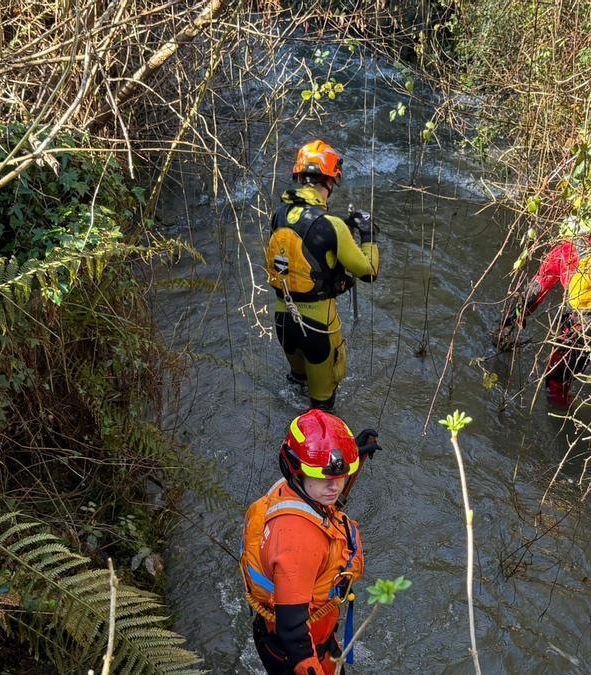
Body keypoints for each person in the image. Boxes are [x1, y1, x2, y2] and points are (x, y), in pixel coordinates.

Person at [240, 410, 379, 675]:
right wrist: (308, 667)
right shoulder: (297, 543)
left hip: (305, 636)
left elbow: (325, 503)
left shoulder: (292, 490)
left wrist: (353, 455)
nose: (334, 487)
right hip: (294, 652)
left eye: (341, 475)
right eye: (324, 478)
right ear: (298, 471)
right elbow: (292, 628)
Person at [265, 140, 379, 412]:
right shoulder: (333, 226)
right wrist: (369, 235)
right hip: (318, 330)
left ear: (299, 176)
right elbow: (369, 272)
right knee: (322, 409)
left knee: (294, 389)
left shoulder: (278, 214)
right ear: (330, 179)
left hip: (283, 323)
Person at [496, 231, 591, 408]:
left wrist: (511, 320)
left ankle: (560, 417)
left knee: (556, 382)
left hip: (579, 328)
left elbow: (536, 291)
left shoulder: (566, 250)